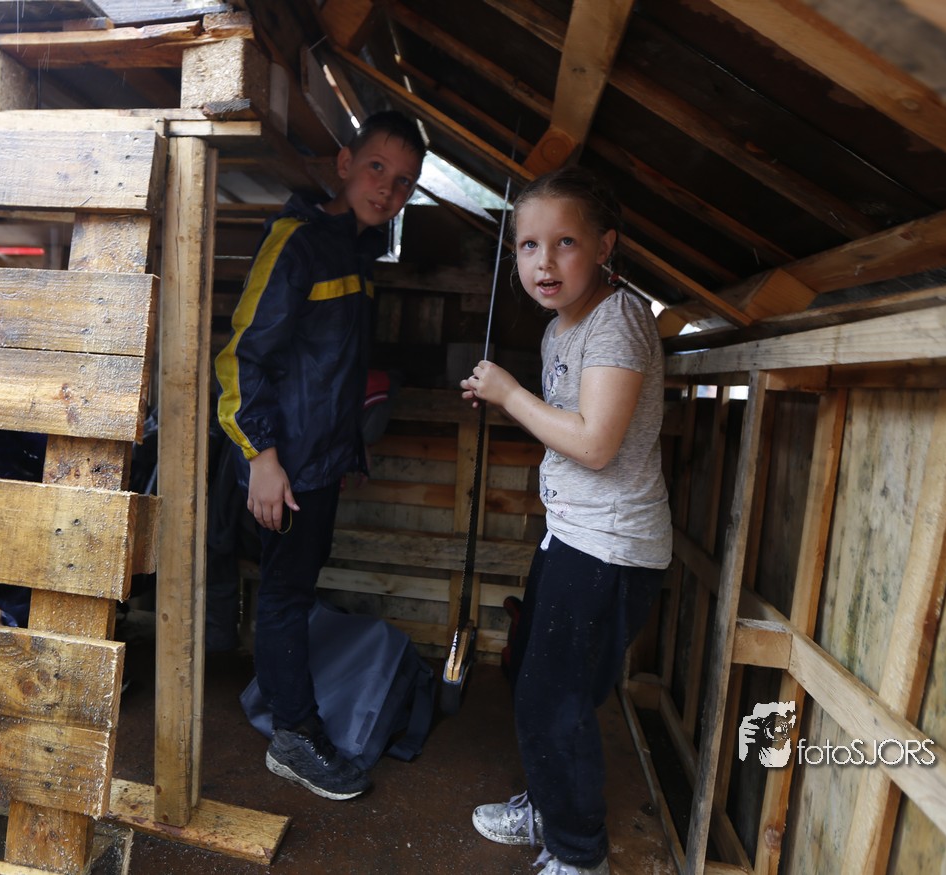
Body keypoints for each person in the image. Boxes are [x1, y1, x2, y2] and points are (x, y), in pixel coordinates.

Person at [460, 166, 671, 874]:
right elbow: (569, 429)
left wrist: (510, 394)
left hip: (611, 544)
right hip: (573, 533)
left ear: (604, 246)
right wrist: (511, 398)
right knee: (535, 677)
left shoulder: (619, 318)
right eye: (528, 245)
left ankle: (579, 854)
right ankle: (550, 807)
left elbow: (595, 442)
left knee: (558, 697)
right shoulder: (560, 329)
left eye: (565, 242)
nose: (543, 262)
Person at [214, 111, 425, 800]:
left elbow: (328, 369)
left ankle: (291, 715)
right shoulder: (298, 241)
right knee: (283, 595)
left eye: (404, 182)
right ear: (344, 164)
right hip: (283, 466)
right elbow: (240, 359)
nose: (387, 189)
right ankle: (293, 736)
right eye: (376, 169)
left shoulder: (356, 253)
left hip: (320, 464)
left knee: (293, 589)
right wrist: (262, 459)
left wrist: (344, 450)